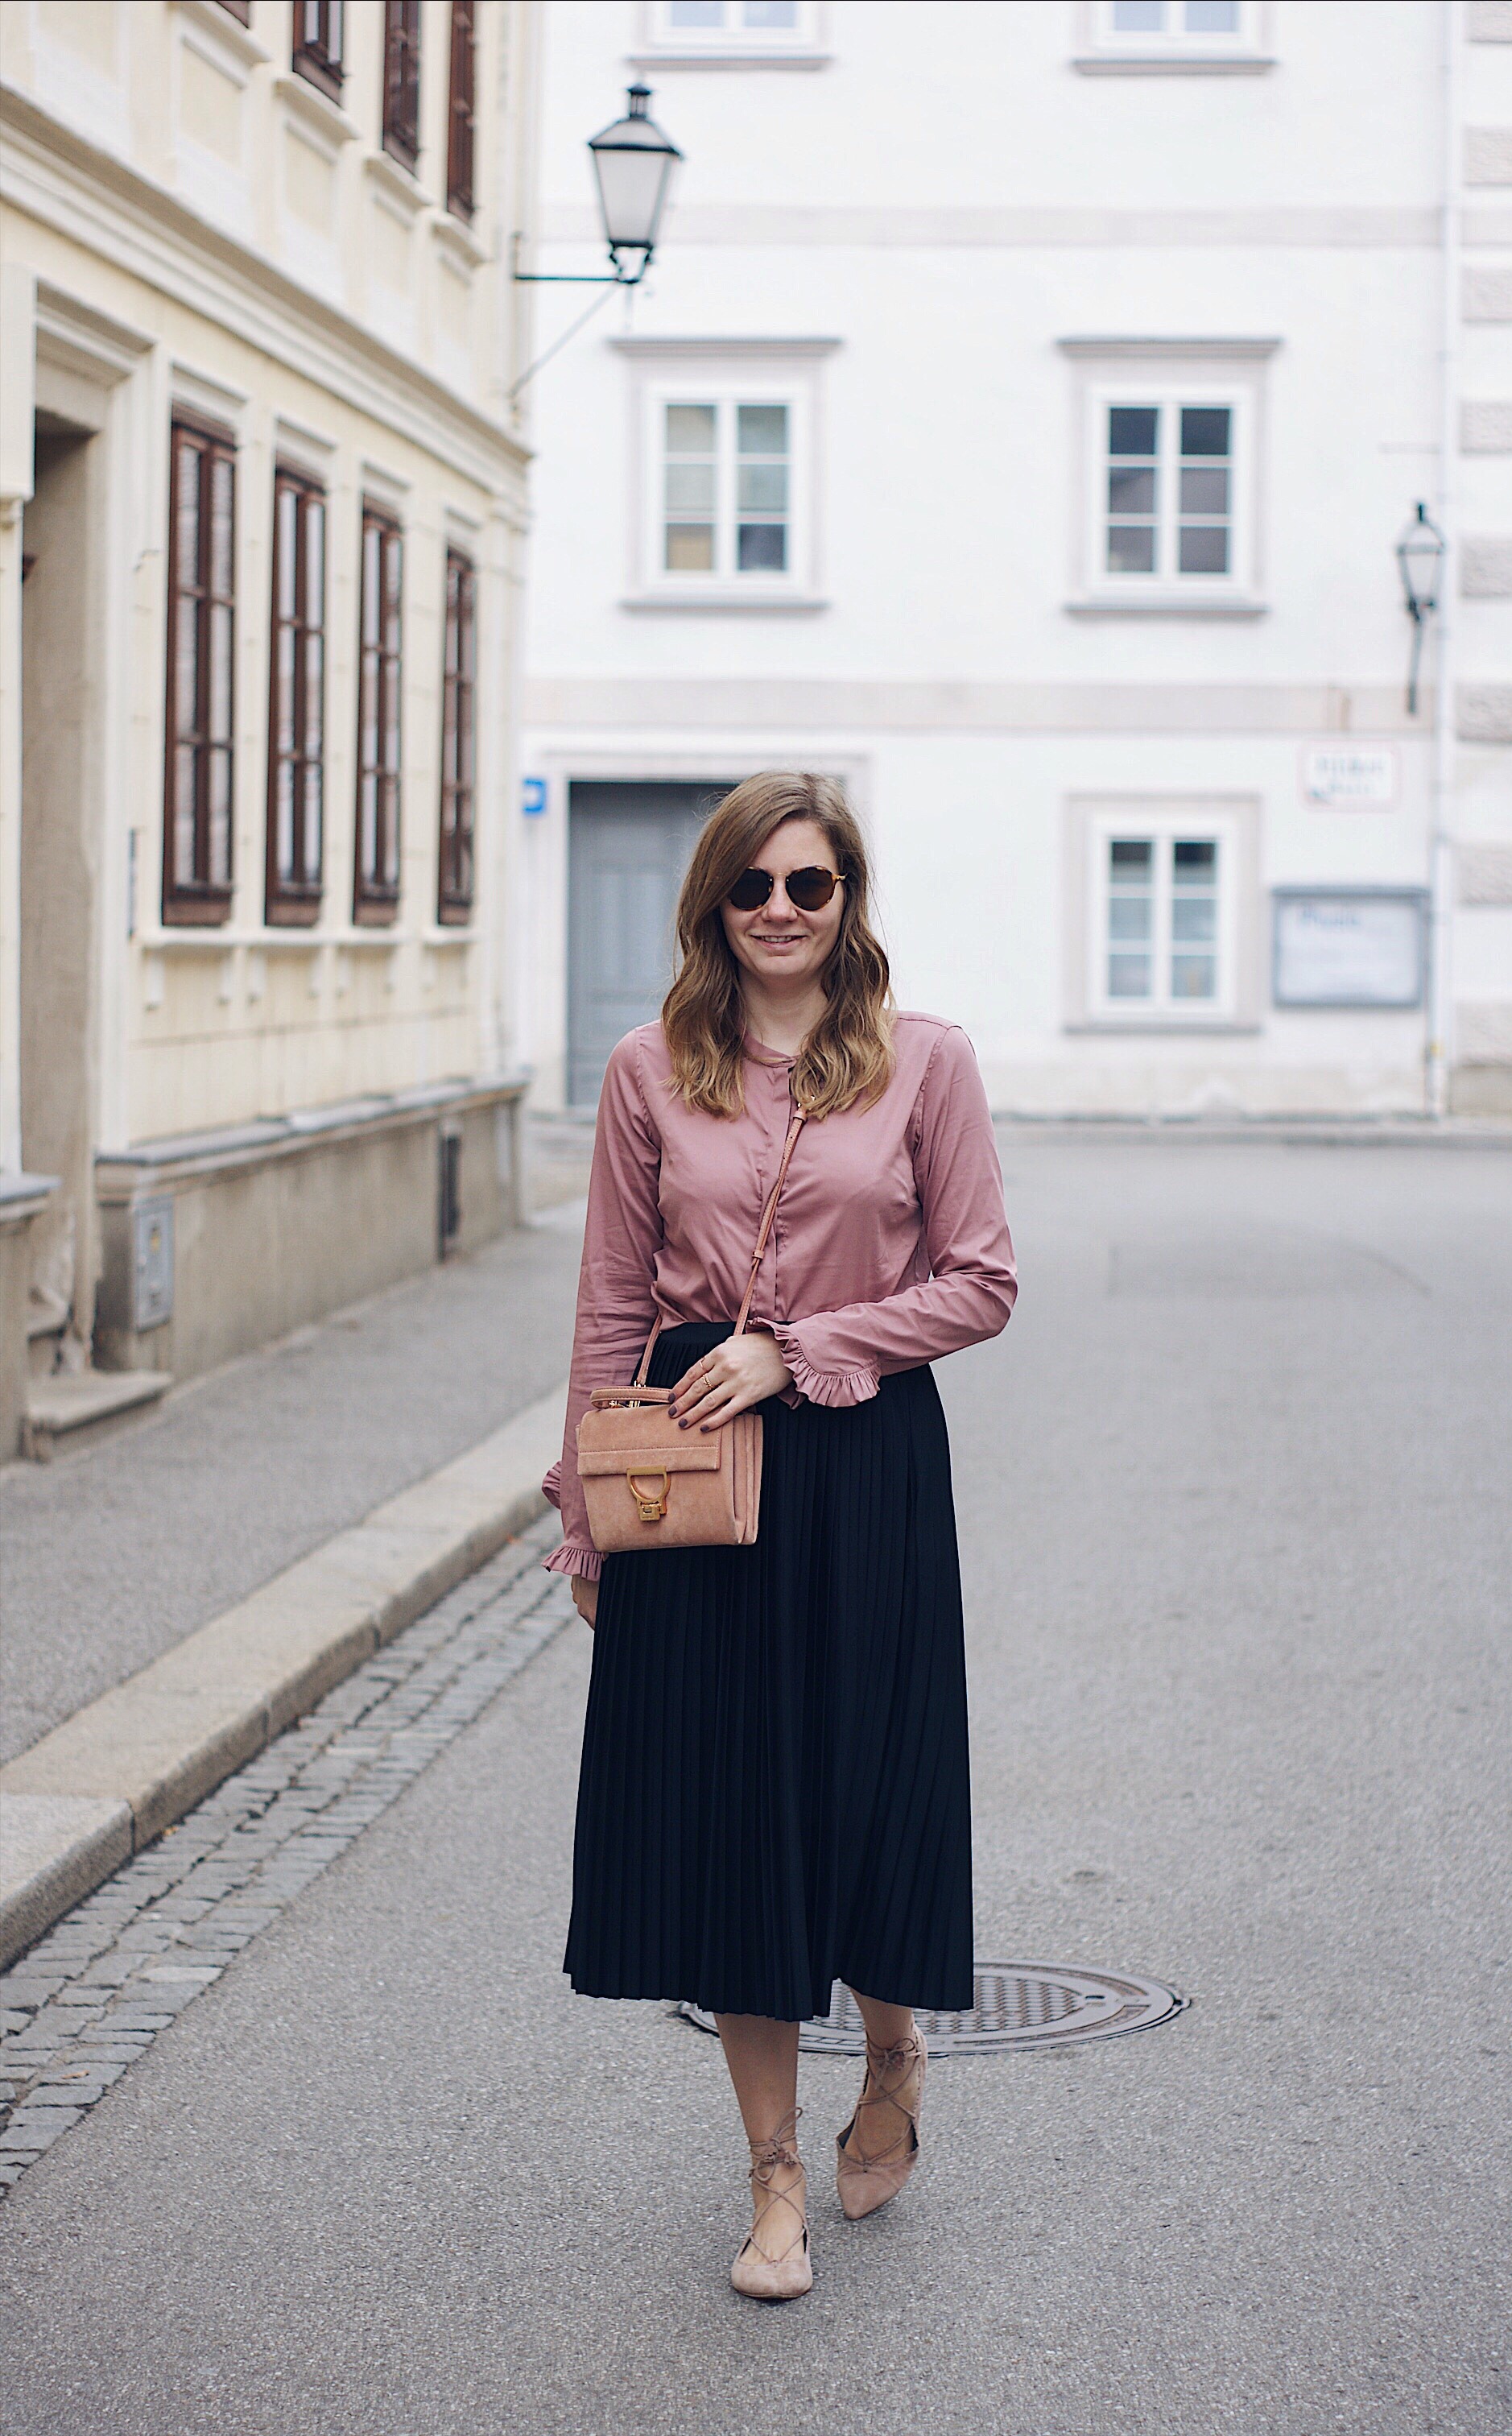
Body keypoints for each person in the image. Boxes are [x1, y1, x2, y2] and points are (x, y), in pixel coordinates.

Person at [543, 771, 1016, 2301]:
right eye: (751, 887)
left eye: (808, 885)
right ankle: (772, 2181)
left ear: (846, 899)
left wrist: (807, 1339)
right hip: (694, 1468)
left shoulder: (924, 1062)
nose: (780, 912)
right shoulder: (645, 1067)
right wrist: (588, 1519)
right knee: (738, 1821)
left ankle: (889, 2040)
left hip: (864, 1459)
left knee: (866, 1788)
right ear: (713, 907)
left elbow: (982, 1279)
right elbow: (614, 1301)